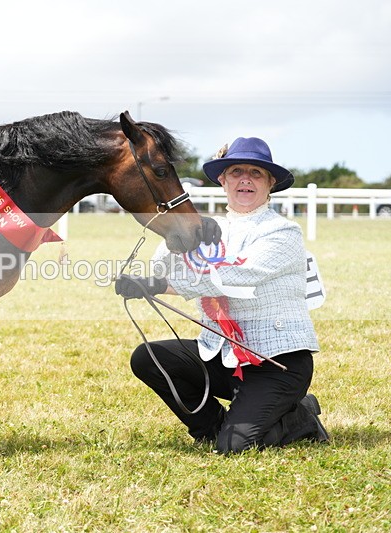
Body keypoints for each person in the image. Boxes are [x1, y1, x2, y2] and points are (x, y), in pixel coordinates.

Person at [115, 137, 328, 454]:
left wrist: (158, 285)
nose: (245, 179)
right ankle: (210, 427)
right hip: (222, 355)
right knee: (148, 358)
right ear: (223, 180)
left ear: (270, 183)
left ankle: (300, 417)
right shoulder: (206, 227)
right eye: (236, 172)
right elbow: (161, 268)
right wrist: (179, 237)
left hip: (276, 363)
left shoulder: (283, 232)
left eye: (256, 173)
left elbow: (237, 278)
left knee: (234, 447)